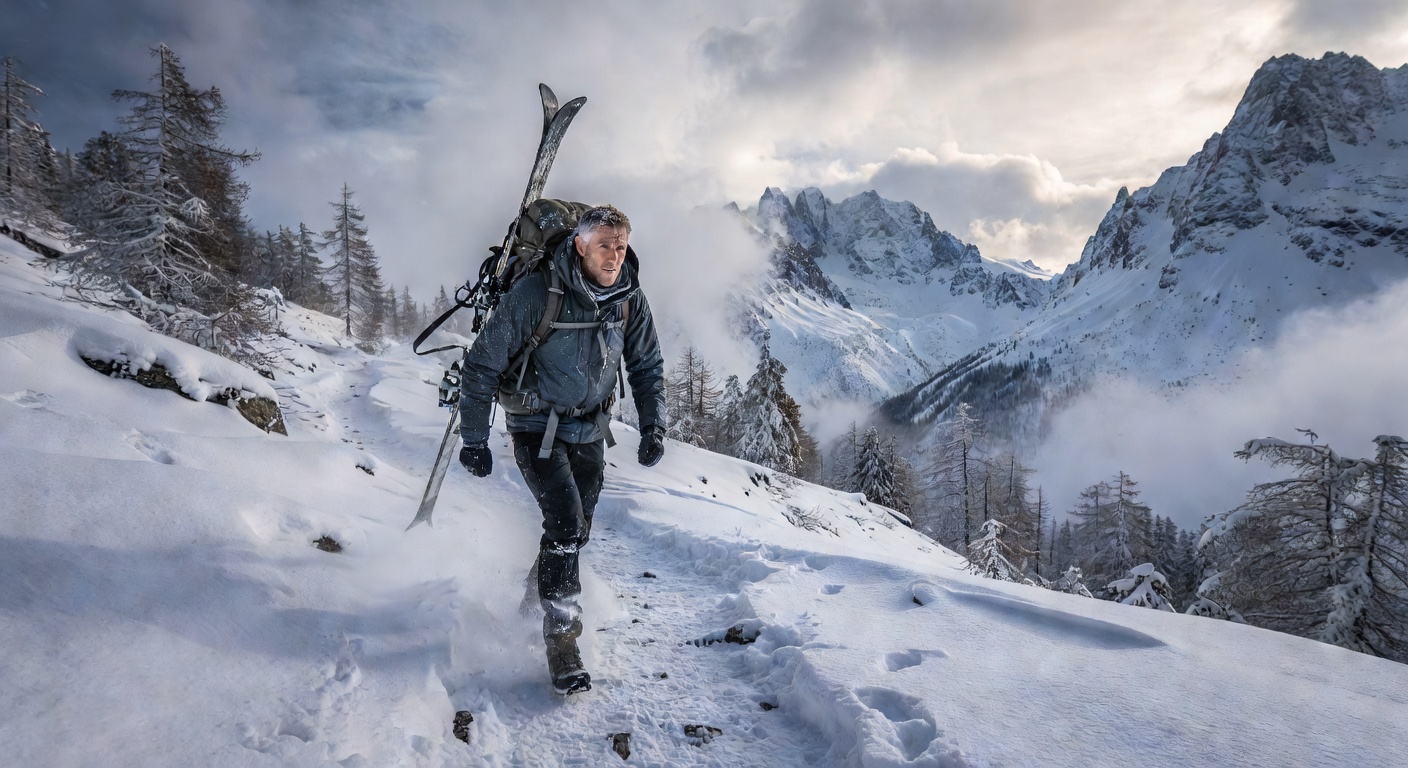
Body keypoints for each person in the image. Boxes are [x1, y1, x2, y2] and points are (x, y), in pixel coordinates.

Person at [456, 204, 666, 694]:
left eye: (620, 245)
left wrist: (654, 426)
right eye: (603, 246)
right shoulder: (537, 293)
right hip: (534, 425)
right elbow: (482, 364)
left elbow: (646, 363)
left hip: (590, 430)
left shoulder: (629, 298)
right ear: (579, 245)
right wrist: (474, 438)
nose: (614, 256)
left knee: (576, 531)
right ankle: (561, 644)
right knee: (566, 524)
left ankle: (532, 605)